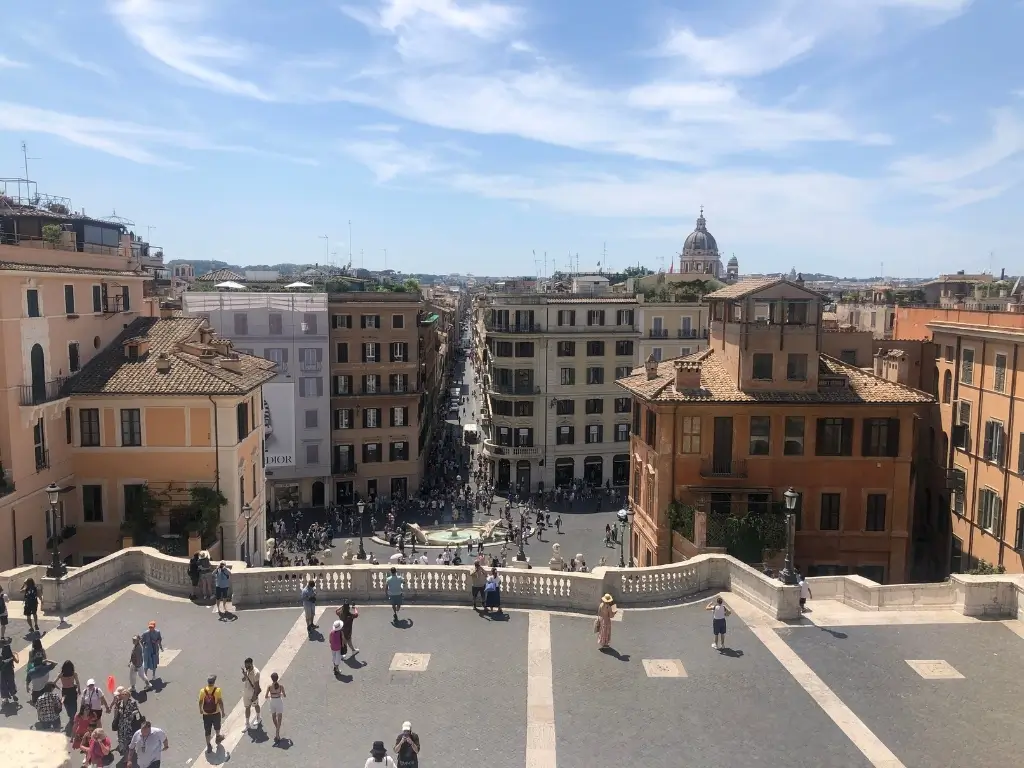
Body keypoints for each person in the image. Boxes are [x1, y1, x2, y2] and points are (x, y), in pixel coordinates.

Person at [111, 686, 143, 754]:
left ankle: (129, 749)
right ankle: (122, 748)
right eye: (123, 694)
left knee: (128, 736)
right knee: (121, 736)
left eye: (125, 694)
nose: (124, 695)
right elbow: (117, 712)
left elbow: (136, 711)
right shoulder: (120, 703)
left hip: (129, 723)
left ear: (128, 695)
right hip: (121, 723)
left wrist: (133, 714)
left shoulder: (132, 702)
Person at [198, 674, 225, 752]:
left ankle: (208, 745)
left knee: (207, 730)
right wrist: (223, 711)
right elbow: (220, 702)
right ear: (214, 682)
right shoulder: (217, 690)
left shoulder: (202, 691)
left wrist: (200, 710)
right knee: (217, 726)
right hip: (216, 713)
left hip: (206, 715)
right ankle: (218, 737)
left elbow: (200, 701)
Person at [264, 672, 285, 744]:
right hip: (279, 702)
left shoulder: (269, 687)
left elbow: (266, 696)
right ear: (277, 678)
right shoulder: (281, 686)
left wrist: (271, 695)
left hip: (272, 702)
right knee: (279, 718)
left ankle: (277, 729)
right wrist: (279, 694)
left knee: (273, 717)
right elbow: (284, 695)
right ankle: (277, 732)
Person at [241, 657, 262, 729]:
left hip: (252, 692)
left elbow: (257, 685)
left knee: (256, 705)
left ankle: (258, 718)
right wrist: (245, 675)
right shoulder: (247, 670)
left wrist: (255, 695)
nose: (245, 667)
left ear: (251, 664)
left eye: (247, 665)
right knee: (247, 707)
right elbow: (243, 680)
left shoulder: (256, 673)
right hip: (246, 692)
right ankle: (247, 724)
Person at [141, 621, 162, 689]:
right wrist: (144, 647)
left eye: (152, 627)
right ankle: (145, 675)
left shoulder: (157, 632)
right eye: (150, 627)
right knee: (146, 662)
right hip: (147, 650)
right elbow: (141, 641)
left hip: (155, 649)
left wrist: (159, 645)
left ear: (154, 627)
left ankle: (154, 675)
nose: (150, 628)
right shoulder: (145, 633)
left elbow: (159, 640)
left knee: (154, 662)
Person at [0, 639, 17, 704]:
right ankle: (13, 694)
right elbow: (17, 661)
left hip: (3, 672)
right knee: (11, 682)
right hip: (10, 670)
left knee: (3, 684)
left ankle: (6, 698)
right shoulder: (10, 654)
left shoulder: (1, 657)